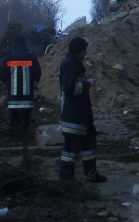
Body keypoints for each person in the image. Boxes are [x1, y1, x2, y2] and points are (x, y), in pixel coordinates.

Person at [59, 37, 107, 182]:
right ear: (78, 50)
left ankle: (91, 174)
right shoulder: (70, 65)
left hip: (82, 115)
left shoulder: (74, 64)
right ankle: (66, 178)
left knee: (89, 145)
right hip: (74, 116)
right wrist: (86, 84)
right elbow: (69, 88)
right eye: (84, 49)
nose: (86, 52)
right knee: (71, 148)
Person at [0, 35, 42, 138]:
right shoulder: (32, 57)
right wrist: (34, 84)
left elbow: (3, 74)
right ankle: (24, 136)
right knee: (25, 116)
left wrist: (7, 83)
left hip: (13, 93)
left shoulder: (8, 58)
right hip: (27, 94)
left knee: (13, 116)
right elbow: (37, 73)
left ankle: (14, 136)